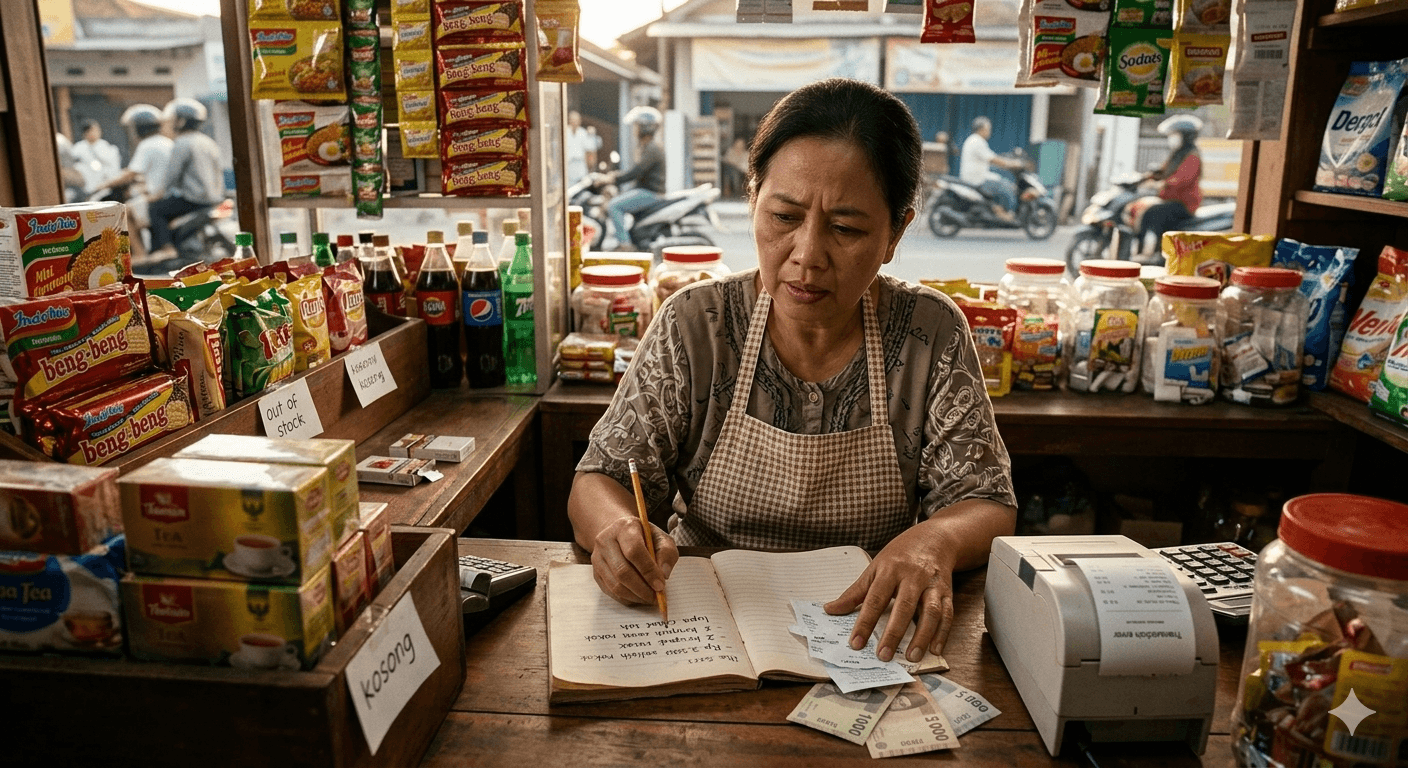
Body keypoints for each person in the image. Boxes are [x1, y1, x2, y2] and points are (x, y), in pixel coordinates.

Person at [568, 78, 1017, 663]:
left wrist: (934, 540)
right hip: (703, 624)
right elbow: (598, 478)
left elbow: (986, 499)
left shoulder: (929, 330)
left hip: (866, 631)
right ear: (753, 199)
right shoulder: (697, 323)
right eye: (784, 215)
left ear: (896, 233)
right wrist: (616, 532)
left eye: (846, 229)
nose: (807, 254)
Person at [146, 98, 225, 262]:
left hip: (193, 199)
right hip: (214, 199)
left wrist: (158, 194)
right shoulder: (208, 141)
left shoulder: (181, 142)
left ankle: (167, 249)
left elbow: (171, 177)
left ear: (181, 121)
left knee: (155, 209)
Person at [105, 104, 174, 260]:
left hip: (158, 196)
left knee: (124, 212)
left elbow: (130, 173)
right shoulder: (165, 141)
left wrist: (105, 184)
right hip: (165, 192)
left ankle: (140, 255)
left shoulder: (147, 145)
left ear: (139, 128)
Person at [1135, 114, 1203, 254]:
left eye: (1175, 134)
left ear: (1185, 136)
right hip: (1171, 200)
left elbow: (1182, 179)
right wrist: (1145, 178)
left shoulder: (1192, 156)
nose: (1172, 138)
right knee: (1143, 209)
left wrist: (1162, 184)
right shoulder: (1177, 154)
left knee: (1151, 212)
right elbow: (1163, 170)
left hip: (1184, 204)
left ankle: (1153, 252)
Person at [605, 106, 666, 249]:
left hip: (651, 193)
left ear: (646, 128)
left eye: (637, 126)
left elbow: (636, 172)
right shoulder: (647, 147)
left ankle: (625, 245)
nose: (634, 130)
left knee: (614, 206)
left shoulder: (652, 148)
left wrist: (613, 178)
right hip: (647, 191)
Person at [959, 117, 1025, 223]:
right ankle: (1006, 213)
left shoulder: (973, 140)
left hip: (976, 175)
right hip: (977, 178)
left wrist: (1004, 162)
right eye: (988, 129)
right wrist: (1011, 163)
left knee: (1000, 181)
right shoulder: (977, 141)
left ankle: (996, 209)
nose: (989, 131)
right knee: (1006, 186)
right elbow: (992, 159)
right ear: (981, 129)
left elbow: (989, 158)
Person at [70, 119, 122, 196]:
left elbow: (114, 166)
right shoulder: (78, 148)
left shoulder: (105, 146)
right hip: (87, 188)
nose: (96, 132)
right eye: (92, 130)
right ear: (85, 133)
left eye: (97, 130)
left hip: (107, 187)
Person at [565, 110, 600, 186]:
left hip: (580, 164)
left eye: (576, 120)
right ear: (569, 120)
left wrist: (591, 165)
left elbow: (590, 150)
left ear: (579, 121)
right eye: (572, 120)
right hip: (568, 164)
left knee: (580, 185)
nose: (574, 122)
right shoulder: (564, 132)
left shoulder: (583, 133)